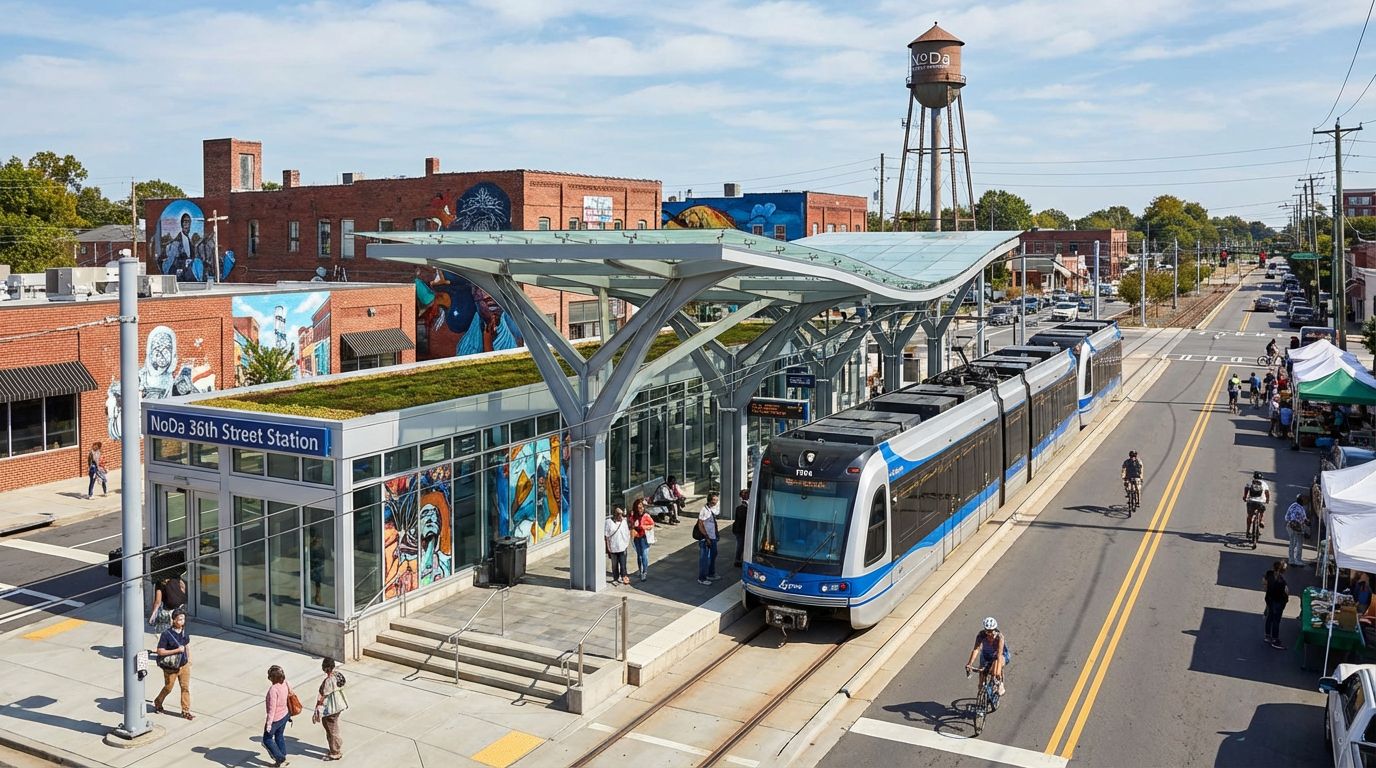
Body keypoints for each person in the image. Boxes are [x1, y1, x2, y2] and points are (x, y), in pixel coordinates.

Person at [153, 609, 193, 720]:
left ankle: (185, 711)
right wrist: (176, 650)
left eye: (183, 619)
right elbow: (160, 651)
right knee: (168, 688)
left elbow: (186, 646)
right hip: (171, 667)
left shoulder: (185, 632)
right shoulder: (166, 634)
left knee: (185, 688)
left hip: (184, 665)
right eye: (180, 619)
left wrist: (188, 659)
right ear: (174, 620)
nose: (182, 621)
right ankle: (158, 701)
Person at [313, 657, 346, 761]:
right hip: (339, 705)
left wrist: (318, 707)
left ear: (326, 668)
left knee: (330, 729)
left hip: (331, 708)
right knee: (334, 726)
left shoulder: (328, 680)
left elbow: (324, 695)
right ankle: (336, 745)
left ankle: (335, 752)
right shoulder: (338, 675)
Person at [965, 617, 1008, 696]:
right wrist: (970, 663)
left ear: (995, 629)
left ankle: (1000, 683)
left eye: (991, 631)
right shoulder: (981, 635)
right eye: (987, 631)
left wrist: (997, 673)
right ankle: (981, 690)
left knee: (995, 671)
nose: (989, 633)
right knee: (982, 672)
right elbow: (976, 650)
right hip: (986, 655)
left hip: (998, 655)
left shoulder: (999, 637)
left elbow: (999, 655)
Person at [263, 665, 293, 767]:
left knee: (267, 739)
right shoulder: (285, 683)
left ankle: (280, 758)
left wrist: (269, 724)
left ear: (273, 678)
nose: (269, 678)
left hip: (276, 719)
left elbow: (272, 709)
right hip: (285, 715)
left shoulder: (273, 690)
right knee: (279, 736)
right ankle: (283, 757)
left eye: (270, 676)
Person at [148, 571, 188, 635]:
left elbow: (158, 602)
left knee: (169, 628)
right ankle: (180, 635)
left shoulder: (159, 583)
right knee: (180, 624)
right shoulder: (177, 579)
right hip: (181, 604)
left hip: (170, 607)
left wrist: (152, 615)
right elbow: (183, 589)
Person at [696, 491, 720, 586]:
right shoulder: (704, 510)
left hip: (713, 536)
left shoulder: (712, 509)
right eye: (714, 500)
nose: (716, 501)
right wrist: (706, 537)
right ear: (710, 500)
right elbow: (700, 524)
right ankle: (702, 578)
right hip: (706, 538)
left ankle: (711, 573)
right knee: (704, 558)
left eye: (717, 499)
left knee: (713, 554)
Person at [1263, 561, 1288, 649]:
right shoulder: (1282, 581)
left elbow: (1264, 582)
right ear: (1283, 571)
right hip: (1278, 602)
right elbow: (1286, 593)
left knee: (1269, 617)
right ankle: (1275, 639)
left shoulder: (1269, 574)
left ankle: (1267, 635)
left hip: (1269, 599)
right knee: (1276, 621)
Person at [604, 506, 631, 586]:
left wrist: (626, 544)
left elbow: (627, 533)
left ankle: (624, 577)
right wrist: (607, 547)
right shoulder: (608, 522)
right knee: (614, 565)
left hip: (622, 547)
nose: (620, 516)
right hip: (613, 547)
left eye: (621, 514)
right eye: (618, 514)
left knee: (623, 564)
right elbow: (606, 535)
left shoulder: (624, 522)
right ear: (614, 514)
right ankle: (615, 578)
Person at [629, 500, 654, 582]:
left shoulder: (646, 516)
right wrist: (632, 523)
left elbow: (652, 524)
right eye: (638, 507)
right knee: (639, 556)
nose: (640, 509)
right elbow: (630, 525)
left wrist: (643, 527)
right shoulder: (633, 516)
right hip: (636, 537)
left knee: (644, 555)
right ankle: (640, 570)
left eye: (642, 507)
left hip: (644, 537)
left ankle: (644, 572)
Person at [1243, 472, 1271, 537]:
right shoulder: (1264, 484)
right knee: (1262, 511)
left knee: (1250, 516)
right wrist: (1267, 500)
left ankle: (1248, 531)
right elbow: (1267, 493)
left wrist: (1245, 497)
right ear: (1261, 478)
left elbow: (1246, 489)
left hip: (1251, 502)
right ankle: (1261, 521)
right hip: (1260, 502)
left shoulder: (1250, 483)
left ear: (1254, 477)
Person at [1284, 494, 1307, 566]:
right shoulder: (1299, 509)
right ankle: (1297, 560)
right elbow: (1295, 520)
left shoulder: (1294, 505)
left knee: (1293, 543)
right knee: (1298, 543)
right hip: (1295, 527)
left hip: (1290, 526)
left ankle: (1292, 560)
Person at [732, 488, 749, 568]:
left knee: (742, 545)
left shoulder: (745, 505)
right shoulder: (741, 507)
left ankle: (739, 559)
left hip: (741, 529)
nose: (748, 495)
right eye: (746, 494)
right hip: (740, 530)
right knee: (740, 545)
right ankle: (737, 560)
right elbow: (742, 518)